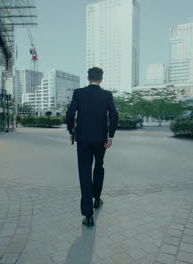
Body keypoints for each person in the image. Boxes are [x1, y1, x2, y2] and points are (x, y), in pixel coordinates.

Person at [66, 67, 119, 227]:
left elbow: (69, 114)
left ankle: (88, 215)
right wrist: (110, 137)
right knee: (99, 167)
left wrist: (71, 131)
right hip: (101, 140)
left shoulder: (79, 93)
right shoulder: (107, 94)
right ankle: (97, 199)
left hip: (83, 139)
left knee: (84, 173)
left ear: (88, 78)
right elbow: (114, 115)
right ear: (101, 79)